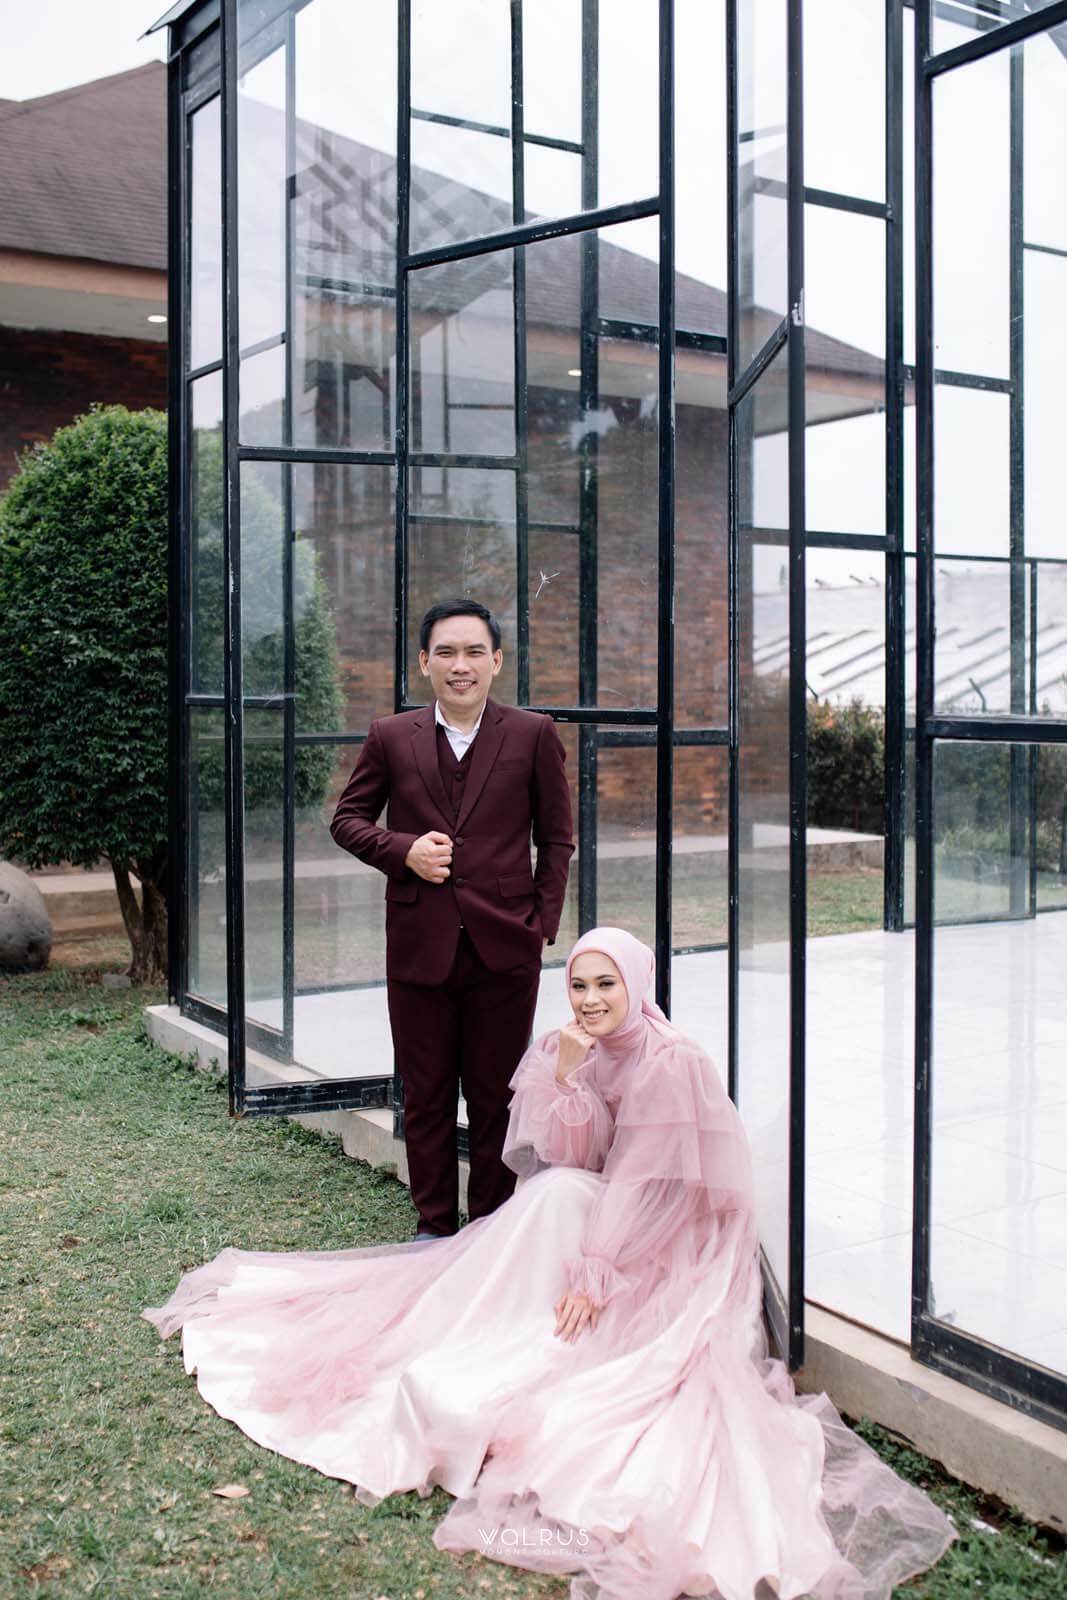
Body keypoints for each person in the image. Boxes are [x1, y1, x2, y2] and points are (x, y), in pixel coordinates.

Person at [144, 928, 957, 1600]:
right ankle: (485, 1328)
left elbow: (643, 1180)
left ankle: (537, 1335)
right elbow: (569, 1155)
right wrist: (568, 1078)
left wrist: (598, 1268)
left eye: (606, 985)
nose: (591, 1000)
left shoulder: (669, 1061)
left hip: (675, 1233)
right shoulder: (576, 1047)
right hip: (609, 1204)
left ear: (636, 985)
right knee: (557, 1191)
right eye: (578, 986)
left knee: (566, 1202)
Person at [328, 597, 573, 1240]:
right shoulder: (390, 736)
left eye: (473, 652)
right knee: (427, 1095)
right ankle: (433, 1227)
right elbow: (347, 820)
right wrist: (402, 850)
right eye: (445, 652)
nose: (459, 665)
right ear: (423, 662)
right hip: (418, 946)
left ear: (496, 661)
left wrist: (540, 925)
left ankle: (488, 1229)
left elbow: (557, 840)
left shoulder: (533, 734)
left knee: (496, 1098)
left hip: (506, 947)